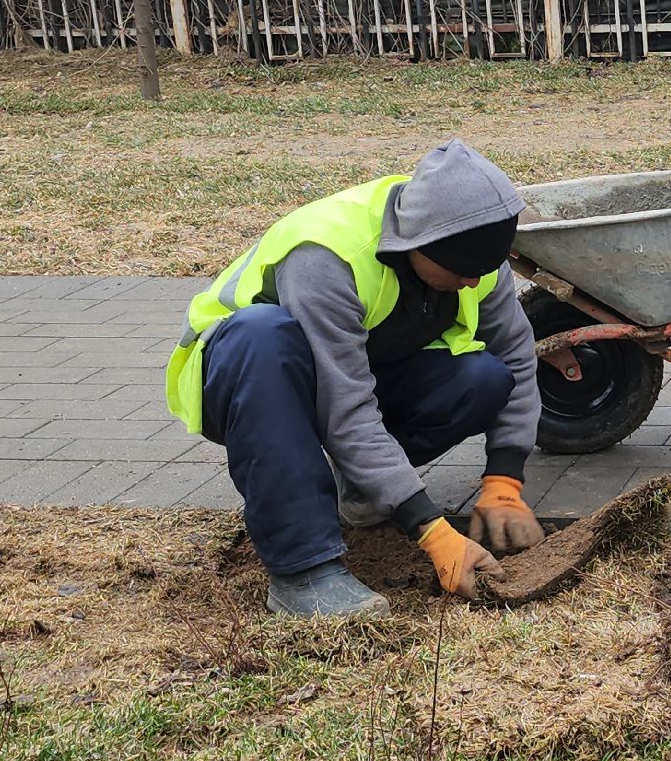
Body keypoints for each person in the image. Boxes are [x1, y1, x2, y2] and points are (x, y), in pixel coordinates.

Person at [165, 139, 548, 616]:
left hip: (353, 371)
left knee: (481, 377)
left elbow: (514, 355)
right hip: (249, 378)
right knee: (262, 334)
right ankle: (304, 569)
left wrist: (504, 481)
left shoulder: (472, 252)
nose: (475, 283)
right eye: (463, 271)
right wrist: (430, 530)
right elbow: (344, 408)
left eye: (484, 269)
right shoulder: (326, 257)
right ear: (417, 242)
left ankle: (365, 490)